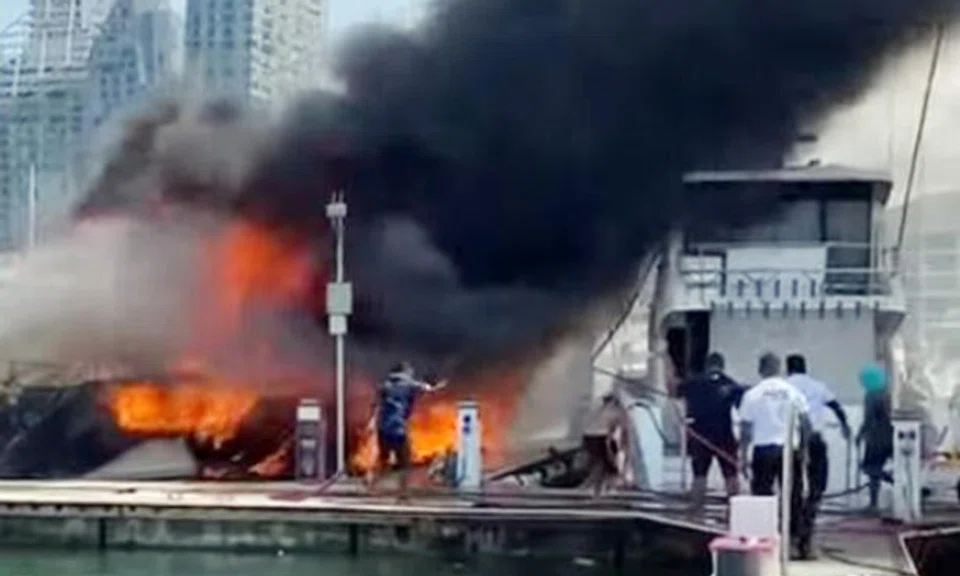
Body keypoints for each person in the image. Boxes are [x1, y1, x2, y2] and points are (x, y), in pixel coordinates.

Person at [739, 352, 812, 559]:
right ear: (779, 369)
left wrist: (743, 455)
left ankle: (764, 539)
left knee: (762, 494)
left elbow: (745, 429)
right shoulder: (793, 392)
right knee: (793, 495)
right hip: (790, 449)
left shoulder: (752, 394)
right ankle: (793, 540)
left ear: (760, 369)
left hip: (763, 450)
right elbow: (806, 424)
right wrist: (805, 451)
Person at [785, 353, 851, 553]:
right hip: (815, 440)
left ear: (788, 369)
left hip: (792, 441)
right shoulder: (818, 386)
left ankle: (793, 532)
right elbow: (836, 406)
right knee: (817, 485)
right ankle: (807, 526)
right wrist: (845, 426)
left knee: (793, 488)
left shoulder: (784, 387)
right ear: (805, 367)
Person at [676, 352, 746, 515]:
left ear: (707, 365)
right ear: (722, 366)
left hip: (700, 436)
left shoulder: (693, 383)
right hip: (724, 435)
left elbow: (675, 392)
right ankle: (734, 511)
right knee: (731, 474)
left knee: (699, 474)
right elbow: (740, 405)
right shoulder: (730, 384)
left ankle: (697, 509)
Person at [367, 361, 447, 498]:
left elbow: (376, 405)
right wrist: (439, 386)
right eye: (410, 371)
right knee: (404, 460)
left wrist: (372, 422)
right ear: (405, 372)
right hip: (398, 428)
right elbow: (428, 389)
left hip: (383, 427)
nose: (412, 373)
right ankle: (403, 491)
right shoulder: (410, 384)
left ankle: (371, 482)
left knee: (383, 457)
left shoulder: (385, 385)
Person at [856, 362, 894, 512]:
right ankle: (905, 487)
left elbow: (869, 419)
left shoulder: (871, 396)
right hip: (891, 436)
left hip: (876, 438)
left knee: (871, 469)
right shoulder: (888, 393)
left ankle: (873, 503)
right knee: (879, 468)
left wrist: (860, 435)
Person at [581, 393, 623, 495]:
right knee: (608, 465)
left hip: (589, 436)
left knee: (597, 463)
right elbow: (614, 428)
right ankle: (606, 488)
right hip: (602, 437)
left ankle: (594, 487)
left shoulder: (597, 409)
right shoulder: (616, 411)